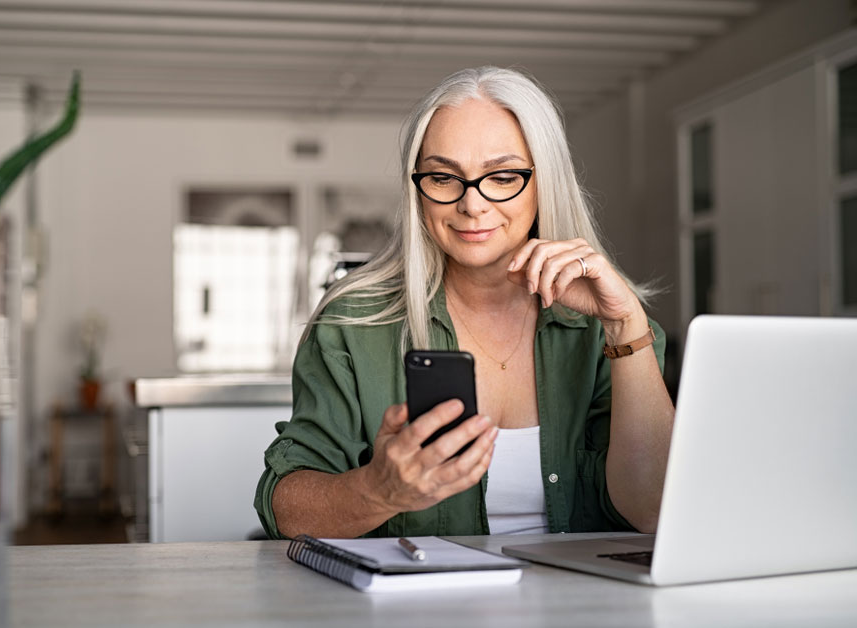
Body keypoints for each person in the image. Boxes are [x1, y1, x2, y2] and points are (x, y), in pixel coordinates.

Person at [254, 66, 675, 540]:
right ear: (418, 190)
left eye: (502, 176)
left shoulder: (612, 329)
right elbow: (285, 509)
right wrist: (378, 491)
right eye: (443, 177)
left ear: (544, 181)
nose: (471, 205)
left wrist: (625, 327)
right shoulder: (352, 323)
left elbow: (654, 511)